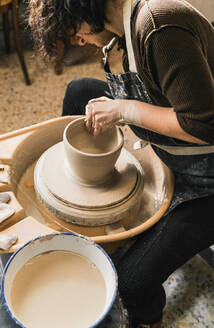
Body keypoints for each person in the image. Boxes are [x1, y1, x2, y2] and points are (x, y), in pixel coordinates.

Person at [28, 0, 214, 327]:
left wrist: (123, 110)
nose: (81, 41)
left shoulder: (159, 26)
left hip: (206, 178)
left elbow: (203, 124)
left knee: (130, 281)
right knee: (79, 91)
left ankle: (148, 320)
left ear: (87, 10)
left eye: (77, 34)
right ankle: (79, 210)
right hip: (167, 148)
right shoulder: (119, 26)